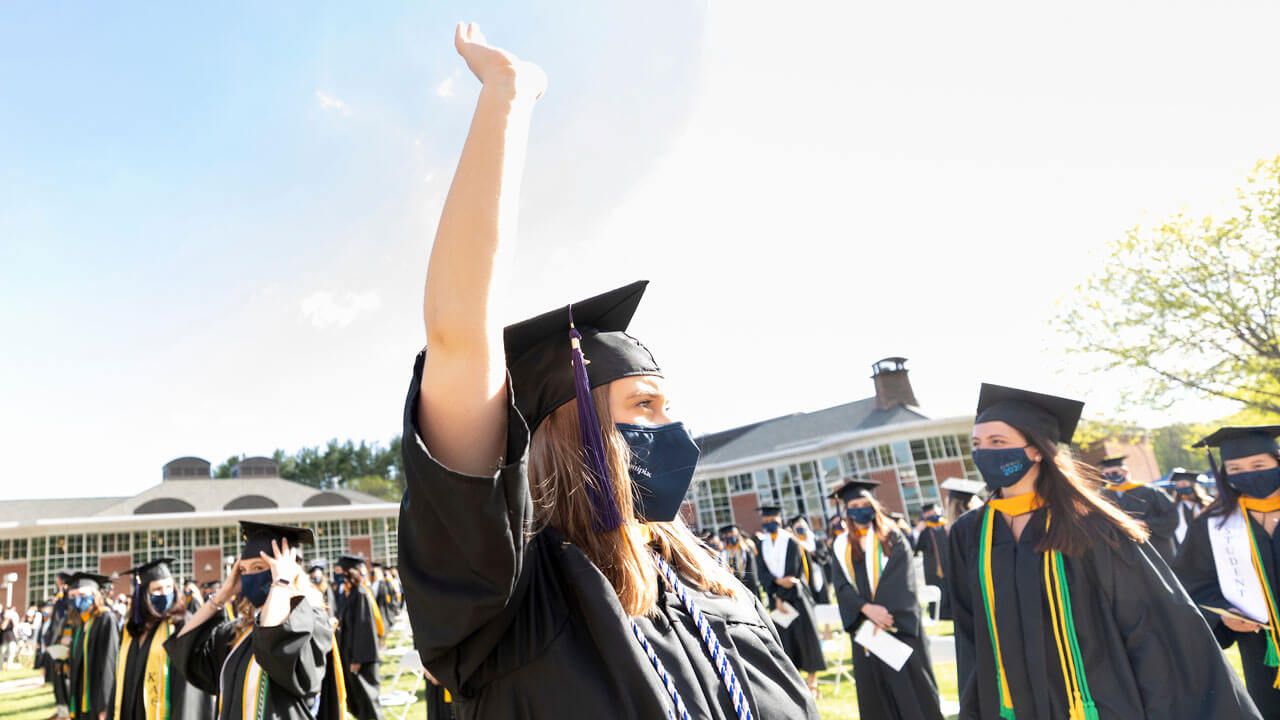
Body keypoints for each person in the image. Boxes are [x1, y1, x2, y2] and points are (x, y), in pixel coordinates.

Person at [396, 22, 819, 720]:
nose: (671, 427)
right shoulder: (516, 602)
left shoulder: (711, 583)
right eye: (643, 405)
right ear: (564, 429)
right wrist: (508, 97)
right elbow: (459, 338)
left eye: (668, 407)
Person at [949, 384, 1259, 719]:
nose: (983, 453)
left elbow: (1149, 625)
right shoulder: (970, 533)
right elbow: (970, 634)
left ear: (1037, 449)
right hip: (1011, 706)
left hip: (1101, 702)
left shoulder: (1091, 526)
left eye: (998, 442)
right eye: (977, 444)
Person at [165, 522, 345, 720]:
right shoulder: (241, 632)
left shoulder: (311, 623)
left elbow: (273, 644)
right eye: (244, 570)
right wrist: (222, 595)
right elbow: (185, 645)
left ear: (288, 570)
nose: (250, 576)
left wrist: (281, 582)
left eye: (259, 567)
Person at [1173, 425, 1280, 717]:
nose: (1249, 474)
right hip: (1261, 647)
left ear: (1277, 462)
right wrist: (1221, 614)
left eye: (1259, 465)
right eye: (1236, 468)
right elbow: (1191, 582)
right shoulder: (1214, 524)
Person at [830, 480, 944, 720]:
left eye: (865, 503)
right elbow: (841, 586)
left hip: (897, 627)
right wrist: (867, 609)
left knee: (911, 693)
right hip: (864, 630)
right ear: (846, 511)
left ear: (873, 505)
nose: (861, 509)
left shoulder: (892, 536)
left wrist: (883, 614)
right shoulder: (841, 546)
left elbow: (902, 580)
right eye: (854, 505)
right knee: (876, 697)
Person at [112, 558, 214, 720]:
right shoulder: (133, 629)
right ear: (144, 594)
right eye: (158, 589)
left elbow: (188, 688)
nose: (165, 593)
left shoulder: (182, 624)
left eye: (168, 587)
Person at [756, 506, 827, 697]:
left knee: (806, 639)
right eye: (766, 519)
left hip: (796, 598)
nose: (770, 522)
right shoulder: (762, 545)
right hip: (776, 599)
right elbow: (762, 573)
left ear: (780, 520)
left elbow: (793, 573)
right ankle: (795, 682)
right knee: (785, 641)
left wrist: (778, 592)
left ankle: (812, 682)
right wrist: (776, 590)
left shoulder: (791, 542)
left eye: (774, 519)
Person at [1098, 454, 1179, 562]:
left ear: (1126, 472)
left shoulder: (1150, 492)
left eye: (1115, 473)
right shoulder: (1102, 495)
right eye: (1107, 474)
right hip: (1123, 550)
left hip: (1153, 545)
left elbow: (1171, 517)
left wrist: (1146, 523)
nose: (1110, 476)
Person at [65, 572, 121, 720]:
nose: (77, 600)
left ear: (95, 595)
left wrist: (105, 705)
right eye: (72, 596)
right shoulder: (81, 623)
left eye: (82, 594)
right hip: (81, 696)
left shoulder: (106, 620)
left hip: (97, 699)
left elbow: (110, 664)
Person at [336, 555, 384, 720]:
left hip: (362, 659)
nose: (338, 576)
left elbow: (364, 629)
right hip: (350, 655)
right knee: (358, 702)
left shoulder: (361, 594)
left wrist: (358, 659)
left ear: (350, 573)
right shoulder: (349, 594)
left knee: (368, 703)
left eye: (341, 572)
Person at [912, 502, 951, 620]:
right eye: (928, 513)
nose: (931, 514)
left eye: (933, 511)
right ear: (924, 515)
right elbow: (915, 548)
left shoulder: (947, 526)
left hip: (950, 567)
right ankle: (937, 615)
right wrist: (917, 531)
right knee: (937, 590)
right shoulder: (924, 531)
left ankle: (953, 614)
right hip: (933, 569)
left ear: (939, 510)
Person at [43, 569, 74, 720]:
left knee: (63, 681)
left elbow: (57, 625)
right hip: (63, 646)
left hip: (64, 647)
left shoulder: (64, 600)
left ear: (61, 581)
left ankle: (65, 714)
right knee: (61, 680)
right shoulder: (65, 600)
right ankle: (63, 712)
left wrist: (50, 644)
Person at [789, 515, 831, 605]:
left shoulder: (815, 539)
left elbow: (824, 557)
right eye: (798, 527)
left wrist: (809, 549)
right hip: (804, 578)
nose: (801, 528)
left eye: (803, 526)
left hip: (819, 576)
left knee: (824, 603)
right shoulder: (793, 544)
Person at [1170, 468, 1212, 552]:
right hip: (1188, 548)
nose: (1181, 487)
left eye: (1184, 484)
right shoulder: (1174, 507)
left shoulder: (1208, 503)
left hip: (1209, 543)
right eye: (1178, 485)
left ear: (1193, 484)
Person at [719, 524, 761, 600]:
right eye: (729, 535)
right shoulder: (724, 552)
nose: (731, 537)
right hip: (732, 584)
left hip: (747, 583)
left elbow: (752, 569)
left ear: (738, 534)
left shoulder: (745, 549)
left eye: (733, 534)